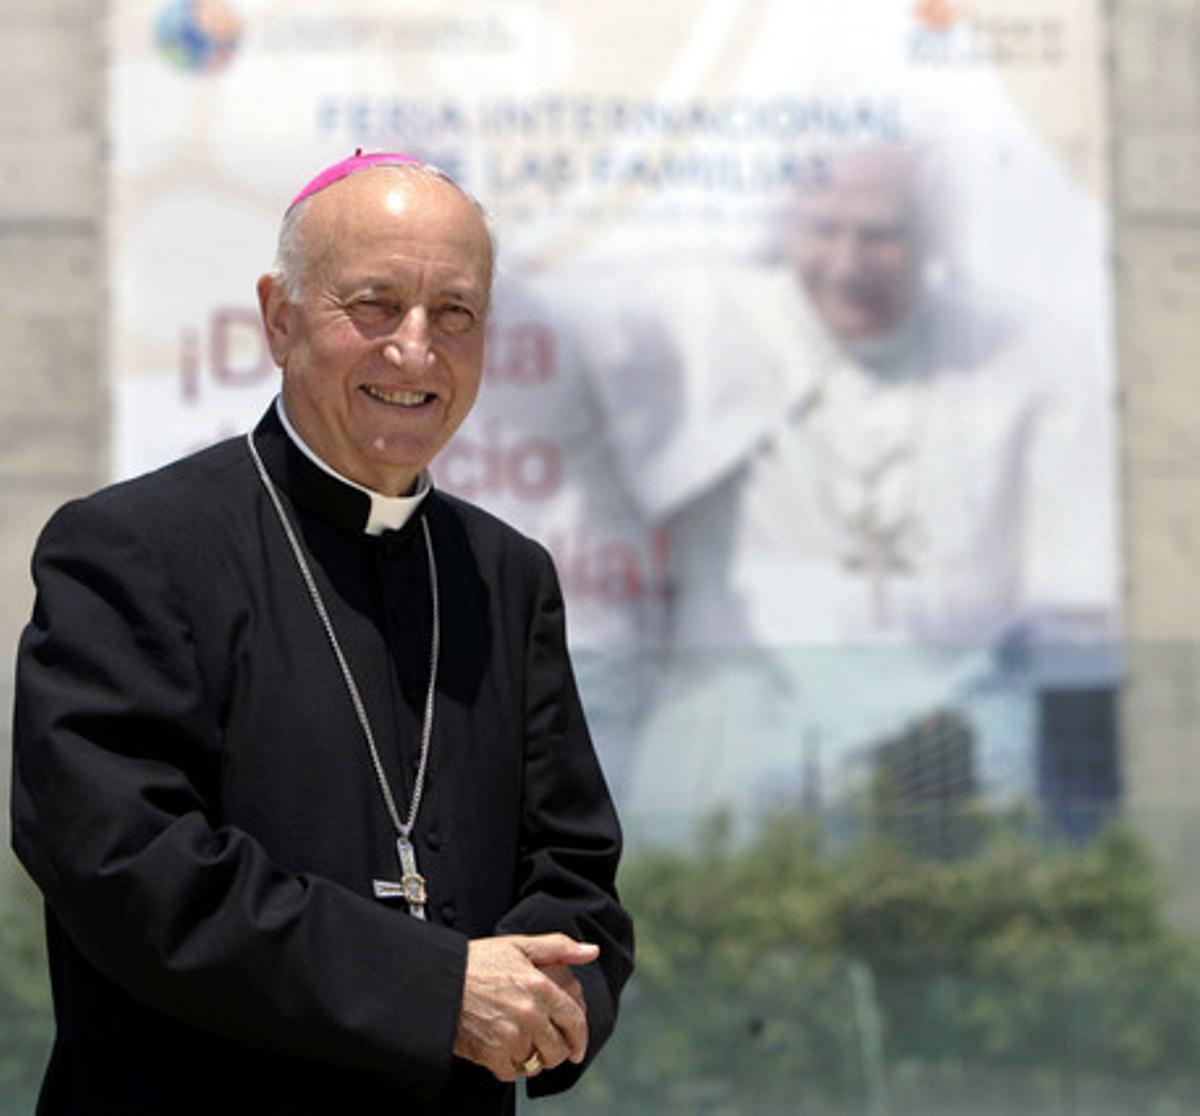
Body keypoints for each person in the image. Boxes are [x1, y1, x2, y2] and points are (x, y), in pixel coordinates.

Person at [10, 151, 634, 1114]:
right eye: (374, 305)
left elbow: (576, 871)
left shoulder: (506, 578)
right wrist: (436, 990)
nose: (415, 350)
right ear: (279, 318)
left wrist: (555, 998)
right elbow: (126, 864)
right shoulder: (133, 549)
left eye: (454, 313)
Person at [571, 140, 1117, 839]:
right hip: (754, 744)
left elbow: (1071, 607)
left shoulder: (1019, 348)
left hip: (951, 749)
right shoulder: (715, 324)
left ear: (932, 240)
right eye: (823, 230)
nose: (847, 263)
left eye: (879, 236)